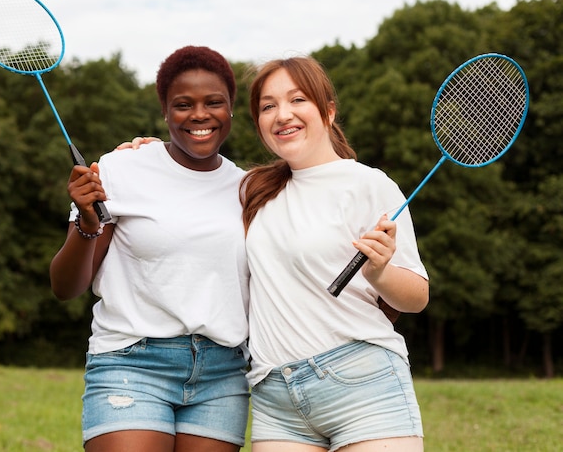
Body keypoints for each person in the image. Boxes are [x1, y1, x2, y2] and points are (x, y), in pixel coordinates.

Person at [49, 46, 250, 452]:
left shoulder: (250, 189)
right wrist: (88, 225)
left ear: (231, 110)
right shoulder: (122, 168)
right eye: (183, 104)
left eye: (214, 103)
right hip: (131, 361)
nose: (199, 115)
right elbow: (65, 287)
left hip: (223, 373)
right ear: (164, 110)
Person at [240, 56, 429, 452]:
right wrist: (153, 151)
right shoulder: (251, 190)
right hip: (276, 396)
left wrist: (379, 274)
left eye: (297, 100)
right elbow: (190, 177)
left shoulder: (368, 184)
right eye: (268, 106)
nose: (282, 114)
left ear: (328, 111)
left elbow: (416, 297)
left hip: (363, 382)